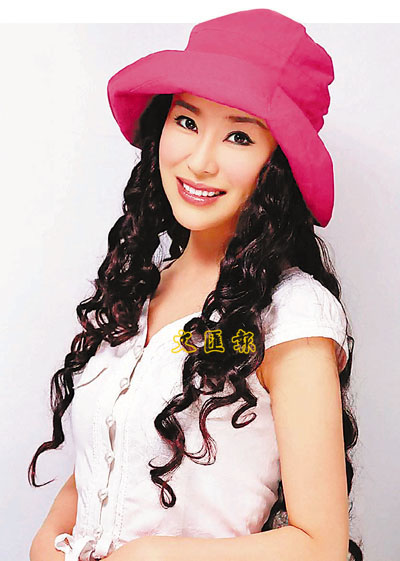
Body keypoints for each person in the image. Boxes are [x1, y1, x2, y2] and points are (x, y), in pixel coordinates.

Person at [28, 8, 363, 561]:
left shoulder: (291, 314)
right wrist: (47, 539)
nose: (199, 161)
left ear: (277, 165)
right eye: (187, 122)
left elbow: (319, 544)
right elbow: (114, 457)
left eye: (239, 135)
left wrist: (150, 556)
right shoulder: (137, 292)